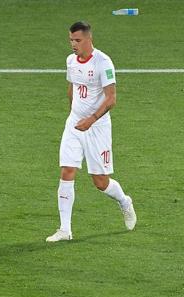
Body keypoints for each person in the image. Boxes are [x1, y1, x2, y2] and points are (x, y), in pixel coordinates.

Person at [46, 21, 136, 242]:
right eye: (70, 40)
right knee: (67, 170)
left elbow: (111, 98)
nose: (73, 44)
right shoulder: (70, 61)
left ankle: (124, 201)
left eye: (77, 40)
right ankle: (65, 229)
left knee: (100, 182)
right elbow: (72, 88)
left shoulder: (103, 62)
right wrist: (73, 116)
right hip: (75, 124)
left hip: (97, 128)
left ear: (88, 39)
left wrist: (91, 119)